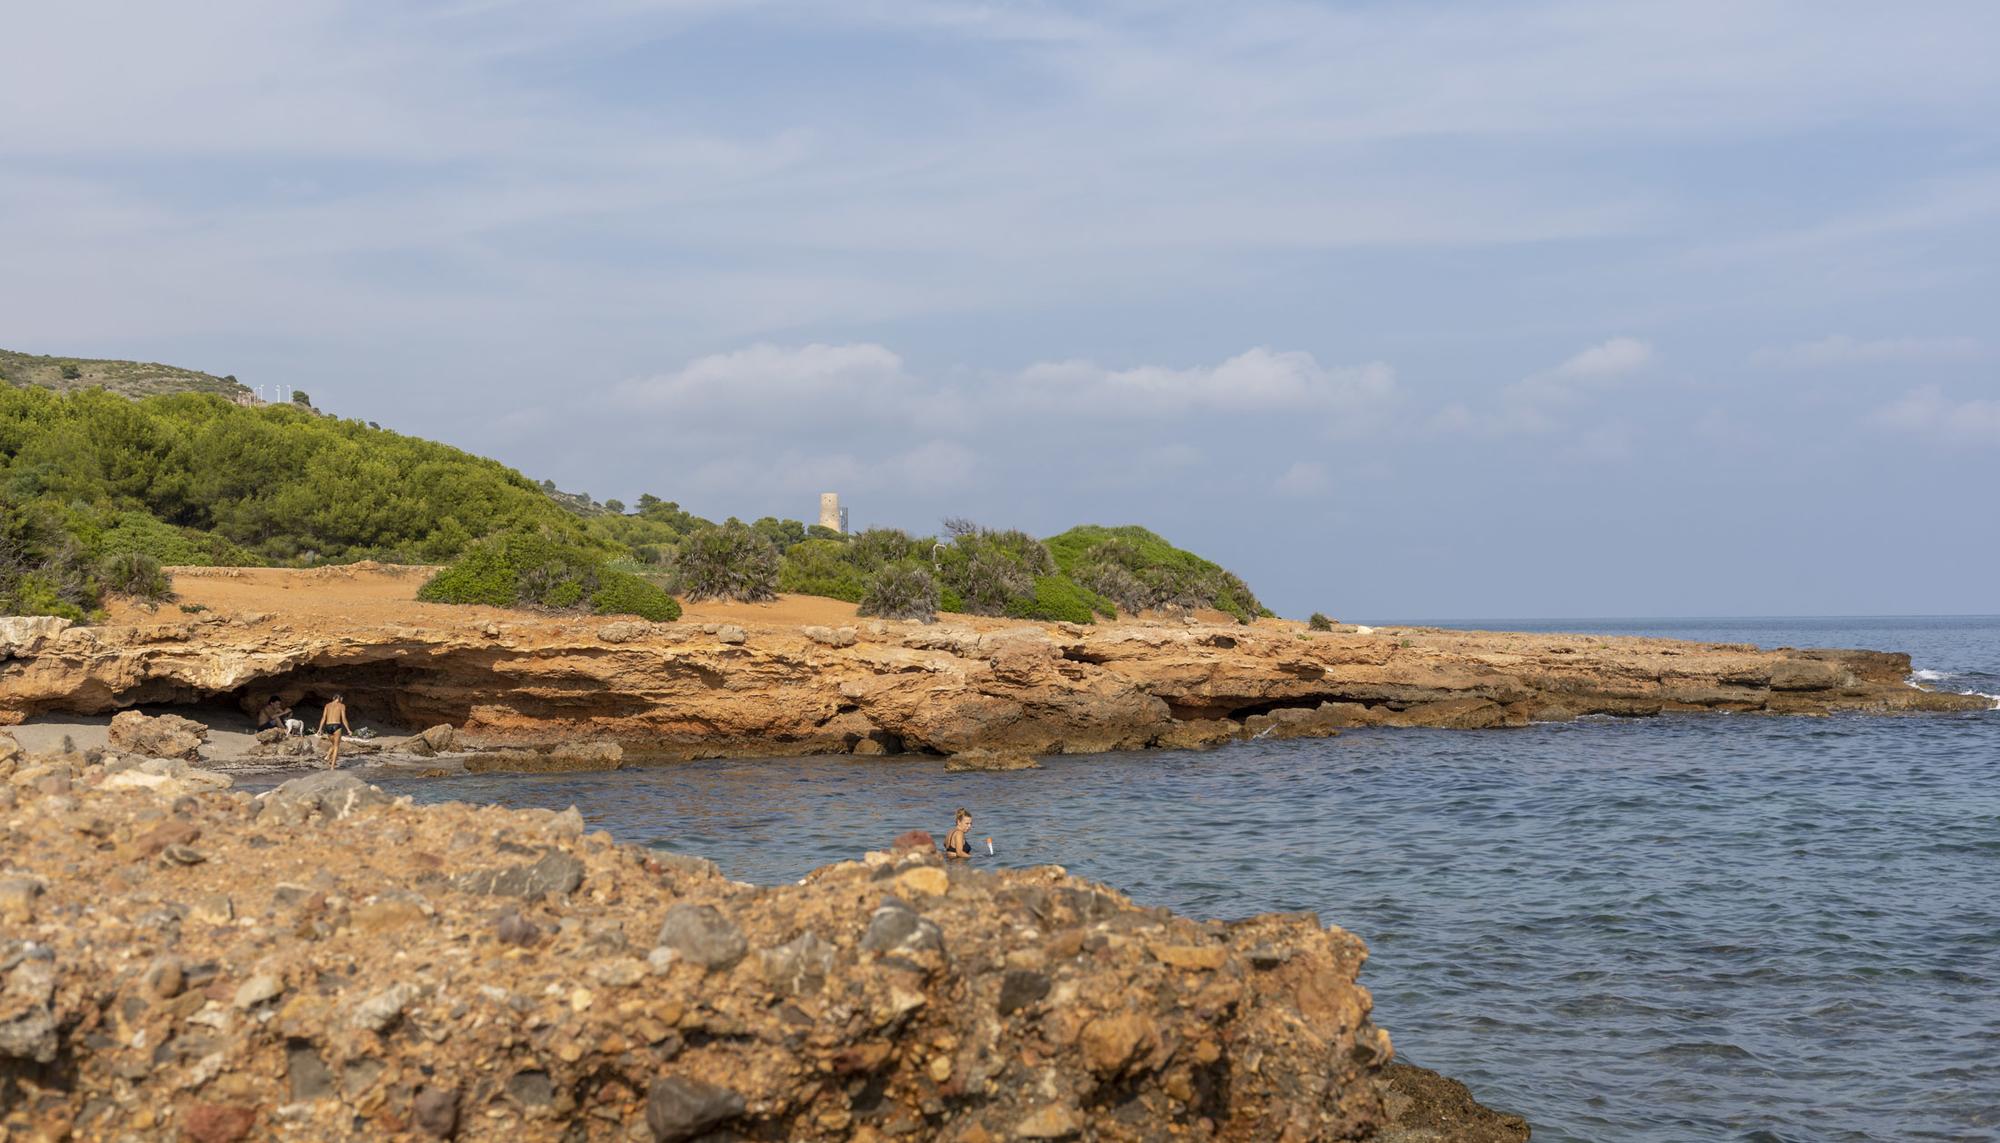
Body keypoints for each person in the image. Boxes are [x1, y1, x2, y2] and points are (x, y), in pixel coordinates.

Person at [316, 694, 353, 769]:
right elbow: (343, 718)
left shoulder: (327, 705)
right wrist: (348, 729)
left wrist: (320, 729)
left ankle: (327, 756)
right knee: (336, 746)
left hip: (328, 726)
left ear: (333, 698)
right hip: (336, 726)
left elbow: (323, 717)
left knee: (333, 744)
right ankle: (332, 766)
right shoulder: (342, 706)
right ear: (340, 698)